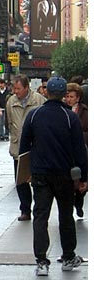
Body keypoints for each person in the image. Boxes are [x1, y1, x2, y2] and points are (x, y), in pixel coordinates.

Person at [19, 76, 88, 276]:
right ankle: (68, 257)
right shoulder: (70, 117)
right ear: (63, 95)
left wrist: (25, 173)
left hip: (40, 174)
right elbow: (79, 150)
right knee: (65, 215)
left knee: (40, 216)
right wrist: (83, 177)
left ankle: (41, 261)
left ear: (47, 92)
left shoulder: (34, 115)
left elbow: (25, 147)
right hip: (64, 175)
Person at [6, 75, 46, 221]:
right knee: (21, 180)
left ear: (26, 88)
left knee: (37, 180)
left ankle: (39, 209)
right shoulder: (11, 101)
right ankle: (25, 209)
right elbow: (9, 122)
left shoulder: (39, 100)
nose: (15, 92)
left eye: (18, 89)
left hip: (36, 147)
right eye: (14, 89)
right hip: (18, 147)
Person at [65, 82, 88, 217]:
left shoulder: (85, 112)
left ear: (78, 98)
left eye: (71, 97)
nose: (69, 99)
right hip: (67, 151)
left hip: (81, 149)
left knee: (80, 177)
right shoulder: (63, 111)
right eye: (67, 96)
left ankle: (79, 203)